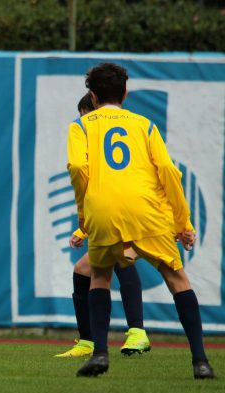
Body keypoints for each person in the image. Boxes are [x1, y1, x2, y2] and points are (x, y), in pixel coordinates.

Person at [67, 62, 215, 379]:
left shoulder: (80, 127)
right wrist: (183, 223)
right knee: (177, 280)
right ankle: (200, 361)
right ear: (125, 92)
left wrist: (85, 211)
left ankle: (100, 354)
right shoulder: (144, 125)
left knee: (100, 277)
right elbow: (168, 172)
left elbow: (78, 167)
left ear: (92, 96)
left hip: (103, 208)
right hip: (149, 210)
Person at [55, 93, 150, 358]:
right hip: (126, 209)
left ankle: (137, 332)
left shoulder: (96, 131)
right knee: (84, 269)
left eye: (86, 115)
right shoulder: (130, 128)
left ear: (94, 108)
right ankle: (88, 341)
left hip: (132, 211)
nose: (85, 122)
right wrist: (81, 230)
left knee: (123, 259)